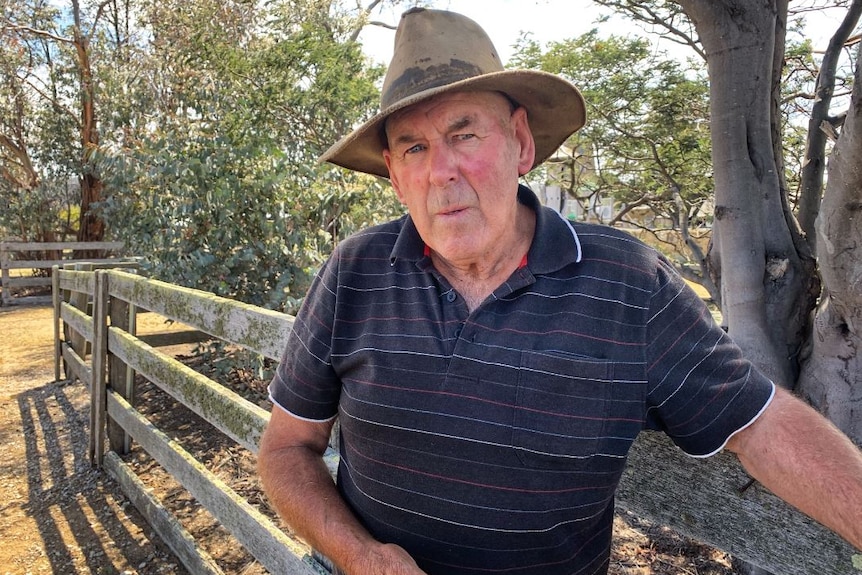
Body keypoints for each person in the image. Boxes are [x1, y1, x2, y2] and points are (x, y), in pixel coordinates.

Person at [258, 8, 862, 575]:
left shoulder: (627, 282)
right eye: (414, 147)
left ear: (521, 143)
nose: (441, 170)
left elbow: (757, 422)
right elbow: (286, 451)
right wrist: (361, 557)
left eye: (464, 134)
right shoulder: (355, 271)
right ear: (394, 175)